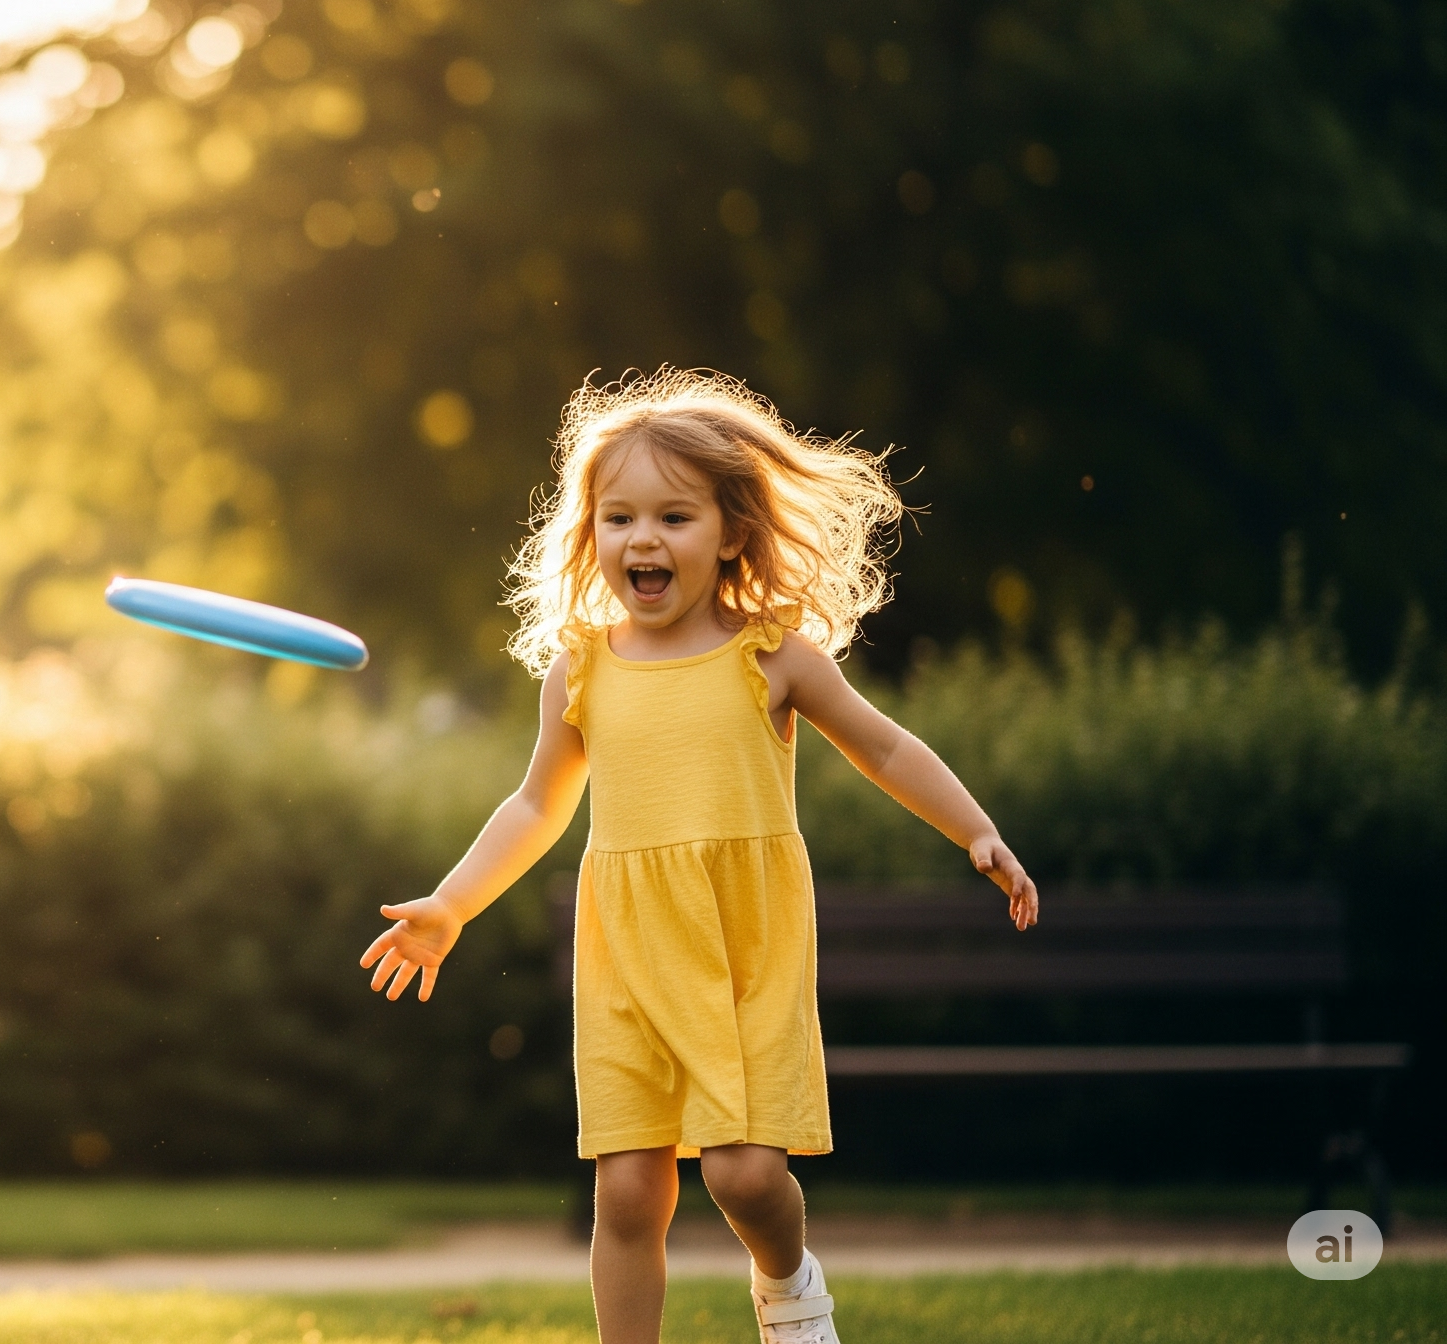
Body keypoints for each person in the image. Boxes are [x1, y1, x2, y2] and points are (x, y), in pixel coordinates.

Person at [356, 369, 1040, 1344]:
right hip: (628, 952)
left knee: (744, 1176)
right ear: (590, 534)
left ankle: (789, 1286)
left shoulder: (771, 656)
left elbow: (884, 747)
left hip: (745, 948)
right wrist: (451, 905)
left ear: (729, 532)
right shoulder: (580, 670)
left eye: (673, 516)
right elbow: (535, 805)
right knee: (629, 1193)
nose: (642, 539)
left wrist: (974, 828)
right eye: (618, 518)